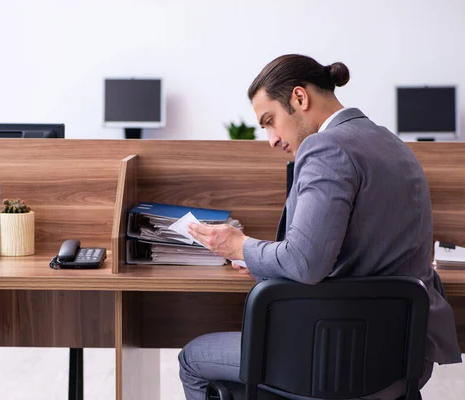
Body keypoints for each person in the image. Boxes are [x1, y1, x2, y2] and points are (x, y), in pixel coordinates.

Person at [178, 54, 462, 400]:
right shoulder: (393, 143)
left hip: (336, 353)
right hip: (399, 362)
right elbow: (351, 248)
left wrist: (241, 247)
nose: (270, 139)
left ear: (299, 98)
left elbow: (305, 262)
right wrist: (262, 258)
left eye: (270, 121)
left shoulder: (325, 146)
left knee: (193, 359)